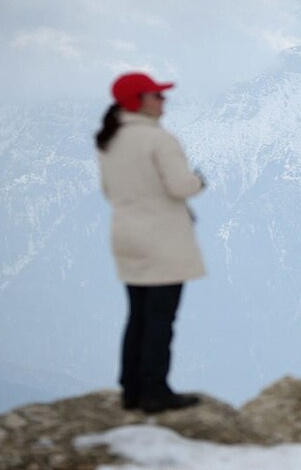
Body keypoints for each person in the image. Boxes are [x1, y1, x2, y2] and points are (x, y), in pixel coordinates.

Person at [96, 72, 204, 413]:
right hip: (162, 239)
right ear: (138, 101)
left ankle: (131, 389)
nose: (163, 101)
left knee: (138, 316)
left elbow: (109, 191)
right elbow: (180, 186)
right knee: (160, 319)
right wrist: (198, 181)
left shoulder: (109, 140)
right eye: (156, 96)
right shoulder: (159, 140)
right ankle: (155, 391)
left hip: (127, 235)